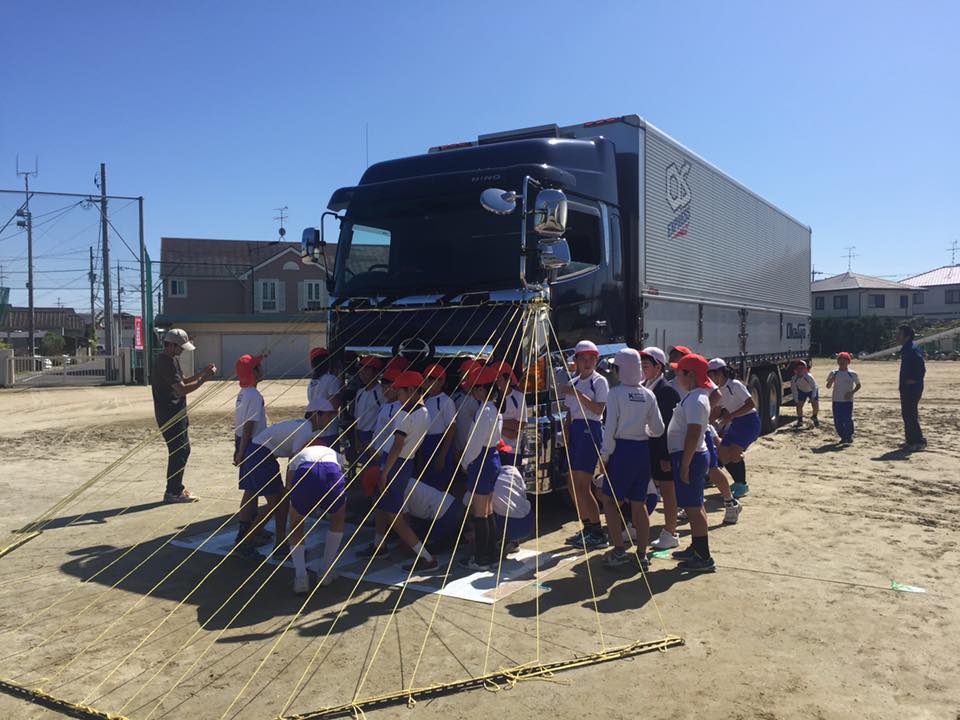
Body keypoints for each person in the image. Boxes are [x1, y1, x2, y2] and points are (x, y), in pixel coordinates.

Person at [599, 348, 664, 569]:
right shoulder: (648, 394)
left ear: (620, 370)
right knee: (640, 503)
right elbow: (658, 428)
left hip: (622, 451)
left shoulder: (615, 393)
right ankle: (642, 555)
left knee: (609, 500)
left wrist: (605, 456)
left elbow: (609, 429)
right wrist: (643, 429)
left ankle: (618, 550)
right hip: (642, 450)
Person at [375, 371, 434, 567]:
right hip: (406, 463)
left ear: (411, 391)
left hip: (396, 463)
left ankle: (425, 556)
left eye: (400, 393)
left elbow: (397, 445)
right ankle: (379, 544)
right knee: (385, 506)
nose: (398, 397)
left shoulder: (404, 414)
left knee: (394, 514)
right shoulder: (424, 412)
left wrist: (385, 472)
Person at [151, 329, 217, 503]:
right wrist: (205, 379)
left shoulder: (172, 360)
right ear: (171, 345)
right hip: (170, 414)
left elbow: (184, 381)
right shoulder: (165, 362)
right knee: (179, 451)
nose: (182, 350)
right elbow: (182, 389)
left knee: (182, 450)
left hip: (177, 413)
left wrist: (203, 372)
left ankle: (175, 488)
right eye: (180, 347)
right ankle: (173, 491)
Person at [667, 354, 716, 572]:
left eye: (680, 372)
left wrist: (685, 464)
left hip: (691, 457)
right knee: (695, 505)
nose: (677, 376)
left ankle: (703, 556)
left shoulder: (696, 399)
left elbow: (694, 432)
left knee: (693, 509)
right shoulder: (695, 396)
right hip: (691, 456)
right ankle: (697, 547)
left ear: (691, 375)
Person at [561, 340, 609, 551]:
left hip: (591, 429)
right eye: (583, 358)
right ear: (576, 361)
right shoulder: (574, 381)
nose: (587, 362)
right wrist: (566, 432)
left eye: (591, 359)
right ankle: (588, 526)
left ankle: (597, 531)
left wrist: (577, 395)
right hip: (577, 431)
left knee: (583, 484)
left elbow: (598, 409)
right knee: (572, 483)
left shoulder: (599, 382)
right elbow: (570, 412)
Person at [284, 441, 347, 594]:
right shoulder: (334, 453)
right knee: (338, 517)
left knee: (296, 523)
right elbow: (343, 473)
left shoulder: (297, 456)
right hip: (332, 470)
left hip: (306, 472)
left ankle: (301, 578)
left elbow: (289, 485)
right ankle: (326, 571)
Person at [459, 365, 504, 570]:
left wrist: (465, 461)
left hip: (482, 459)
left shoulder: (483, 410)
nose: (474, 392)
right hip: (492, 457)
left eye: (477, 388)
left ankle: (481, 557)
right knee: (488, 509)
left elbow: (475, 442)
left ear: (483, 389)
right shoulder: (494, 409)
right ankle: (493, 553)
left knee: (480, 511)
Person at [641, 347, 684, 550]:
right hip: (649, 448)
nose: (642, 369)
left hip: (662, 450)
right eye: (641, 365)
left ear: (658, 367)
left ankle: (671, 531)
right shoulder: (645, 386)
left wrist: (665, 456)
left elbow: (668, 427)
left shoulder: (665, 391)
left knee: (668, 490)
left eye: (646, 365)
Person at [233, 354, 272, 555]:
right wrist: (241, 452)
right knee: (270, 495)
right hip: (254, 445)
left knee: (251, 489)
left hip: (244, 443)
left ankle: (248, 529)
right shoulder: (255, 396)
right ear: (253, 373)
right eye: (258, 367)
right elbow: (248, 425)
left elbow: (238, 424)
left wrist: (237, 448)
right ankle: (245, 538)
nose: (262, 368)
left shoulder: (242, 393)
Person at [707, 358, 759, 499]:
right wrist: (705, 423)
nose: (710, 378)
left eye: (712, 374)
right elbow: (716, 411)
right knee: (723, 454)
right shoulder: (717, 391)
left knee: (735, 453)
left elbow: (751, 404)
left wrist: (731, 416)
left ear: (720, 373)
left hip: (749, 423)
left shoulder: (735, 385)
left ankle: (742, 484)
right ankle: (738, 483)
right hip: (736, 423)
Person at [419, 364, 457, 490]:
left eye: (430, 379)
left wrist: (442, 455)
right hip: (426, 443)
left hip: (440, 444)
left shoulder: (446, 401)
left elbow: (451, 429)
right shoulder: (426, 400)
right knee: (426, 483)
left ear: (441, 381)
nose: (426, 382)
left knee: (440, 484)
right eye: (425, 378)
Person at [897, 325, 927, 450]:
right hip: (907, 387)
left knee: (911, 414)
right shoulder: (907, 348)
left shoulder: (912, 349)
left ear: (907, 336)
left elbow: (921, 367)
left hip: (912, 388)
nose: (897, 336)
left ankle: (918, 442)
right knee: (907, 414)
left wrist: (914, 379)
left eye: (899, 334)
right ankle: (910, 441)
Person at [307, 348, 343, 445]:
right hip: (329, 430)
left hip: (315, 429)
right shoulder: (331, 379)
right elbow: (335, 405)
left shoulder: (311, 383)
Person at [353, 356, 385, 462]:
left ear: (376, 372)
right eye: (361, 369)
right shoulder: (360, 392)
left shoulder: (381, 392)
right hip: (361, 435)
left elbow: (383, 418)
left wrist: (374, 440)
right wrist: (356, 438)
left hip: (374, 435)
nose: (363, 372)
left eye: (367, 369)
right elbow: (357, 418)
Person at [495, 362, 527, 466]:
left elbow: (521, 424)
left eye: (499, 379)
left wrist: (499, 424)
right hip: (495, 448)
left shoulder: (519, 397)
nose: (497, 382)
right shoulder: (493, 399)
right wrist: (506, 427)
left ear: (508, 380)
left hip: (512, 450)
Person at [826, 352, 861, 445]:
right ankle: (842, 436)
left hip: (848, 401)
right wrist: (831, 380)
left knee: (847, 419)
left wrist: (851, 392)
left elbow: (858, 385)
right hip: (836, 400)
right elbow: (828, 386)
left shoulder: (852, 374)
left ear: (848, 362)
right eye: (840, 360)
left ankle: (848, 436)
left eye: (844, 360)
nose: (842, 362)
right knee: (838, 420)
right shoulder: (834, 373)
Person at [790, 360, 820, 428]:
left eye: (802, 368)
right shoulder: (794, 378)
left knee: (815, 403)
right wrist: (796, 400)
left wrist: (813, 397)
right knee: (799, 405)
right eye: (798, 368)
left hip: (811, 390)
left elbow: (814, 386)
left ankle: (814, 416)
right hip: (802, 391)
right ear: (795, 370)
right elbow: (794, 390)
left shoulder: (808, 377)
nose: (800, 370)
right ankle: (800, 420)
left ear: (805, 370)